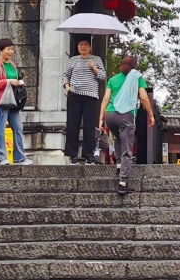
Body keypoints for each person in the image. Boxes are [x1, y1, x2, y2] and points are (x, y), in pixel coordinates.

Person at [99, 54, 155, 193]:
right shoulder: (137, 77)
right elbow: (143, 97)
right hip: (126, 115)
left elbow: (106, 99)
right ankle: (123, 183)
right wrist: (151, 115)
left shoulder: (113, 79)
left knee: (118, 139)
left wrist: (101, 118)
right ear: (135, 65)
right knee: (127, 148)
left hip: (110, 114)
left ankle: (119, 166)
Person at [62, 36, 106, 165]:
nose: (83, 46)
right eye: (81, 44)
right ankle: (72, 155)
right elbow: (65, 75)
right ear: (77, 47)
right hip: (74, 95)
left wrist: (94, 67)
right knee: (73, 125)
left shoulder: (96, 59)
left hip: (91, 96)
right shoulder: (73, 60)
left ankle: (89, 156)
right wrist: (67, 88)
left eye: (86, 44)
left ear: (90, 47)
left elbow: (103, 76)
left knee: (90, 127)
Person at [0, 40, 30, 165]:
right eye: (8, 49)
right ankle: (1, 157)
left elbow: (14, 79)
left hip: (13, 100)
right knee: (0, 130)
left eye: (12, 49)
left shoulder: (11, 64)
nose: (11, 52)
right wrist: (8, 81)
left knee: (18, 128)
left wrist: (18, 82)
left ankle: (19, 157)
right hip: (0, 101)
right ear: (1, 50)